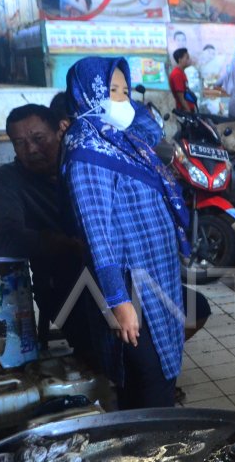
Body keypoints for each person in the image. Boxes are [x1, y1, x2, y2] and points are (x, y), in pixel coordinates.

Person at [62, 57, 191, 410]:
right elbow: (96, 233)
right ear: (89, 95)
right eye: (111, 91)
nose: (121, 99)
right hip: (130, 285)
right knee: (148, 377)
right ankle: (153, 453)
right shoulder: (86, 149)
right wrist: (118, 303)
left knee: (157, 376)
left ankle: (152, 448)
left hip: (156, 275)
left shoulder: (124, 141)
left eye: (123, 90)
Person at [0, 104, 90, 361]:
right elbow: (1, 239)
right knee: (101, 338)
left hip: (115, 276)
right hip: (62, 286)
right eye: (19, 143)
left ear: (60, 131)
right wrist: (65, 244)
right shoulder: (10, 178)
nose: (31, 149)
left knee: (193, 310)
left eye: (38, 138)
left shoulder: (84, 164)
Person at [168, 48, 198, 113]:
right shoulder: (177, 74)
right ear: (180, 60)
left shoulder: (181, 72)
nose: (189, 60)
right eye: (187, 58)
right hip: (184, 110)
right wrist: (188, 110)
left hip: (189, 108)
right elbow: (180, 96)